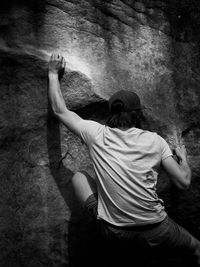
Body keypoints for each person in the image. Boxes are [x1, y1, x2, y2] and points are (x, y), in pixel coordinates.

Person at [48, 53, 200, 266]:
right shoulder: (155, 141)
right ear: (138, 114)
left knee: (80, 177)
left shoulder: (96, 134)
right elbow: (184, 182)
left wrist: (53, 73)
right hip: (156, 230)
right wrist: (182, 159)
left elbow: (59, 110)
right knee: (196, 248)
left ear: (112, 114)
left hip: (114, 231)